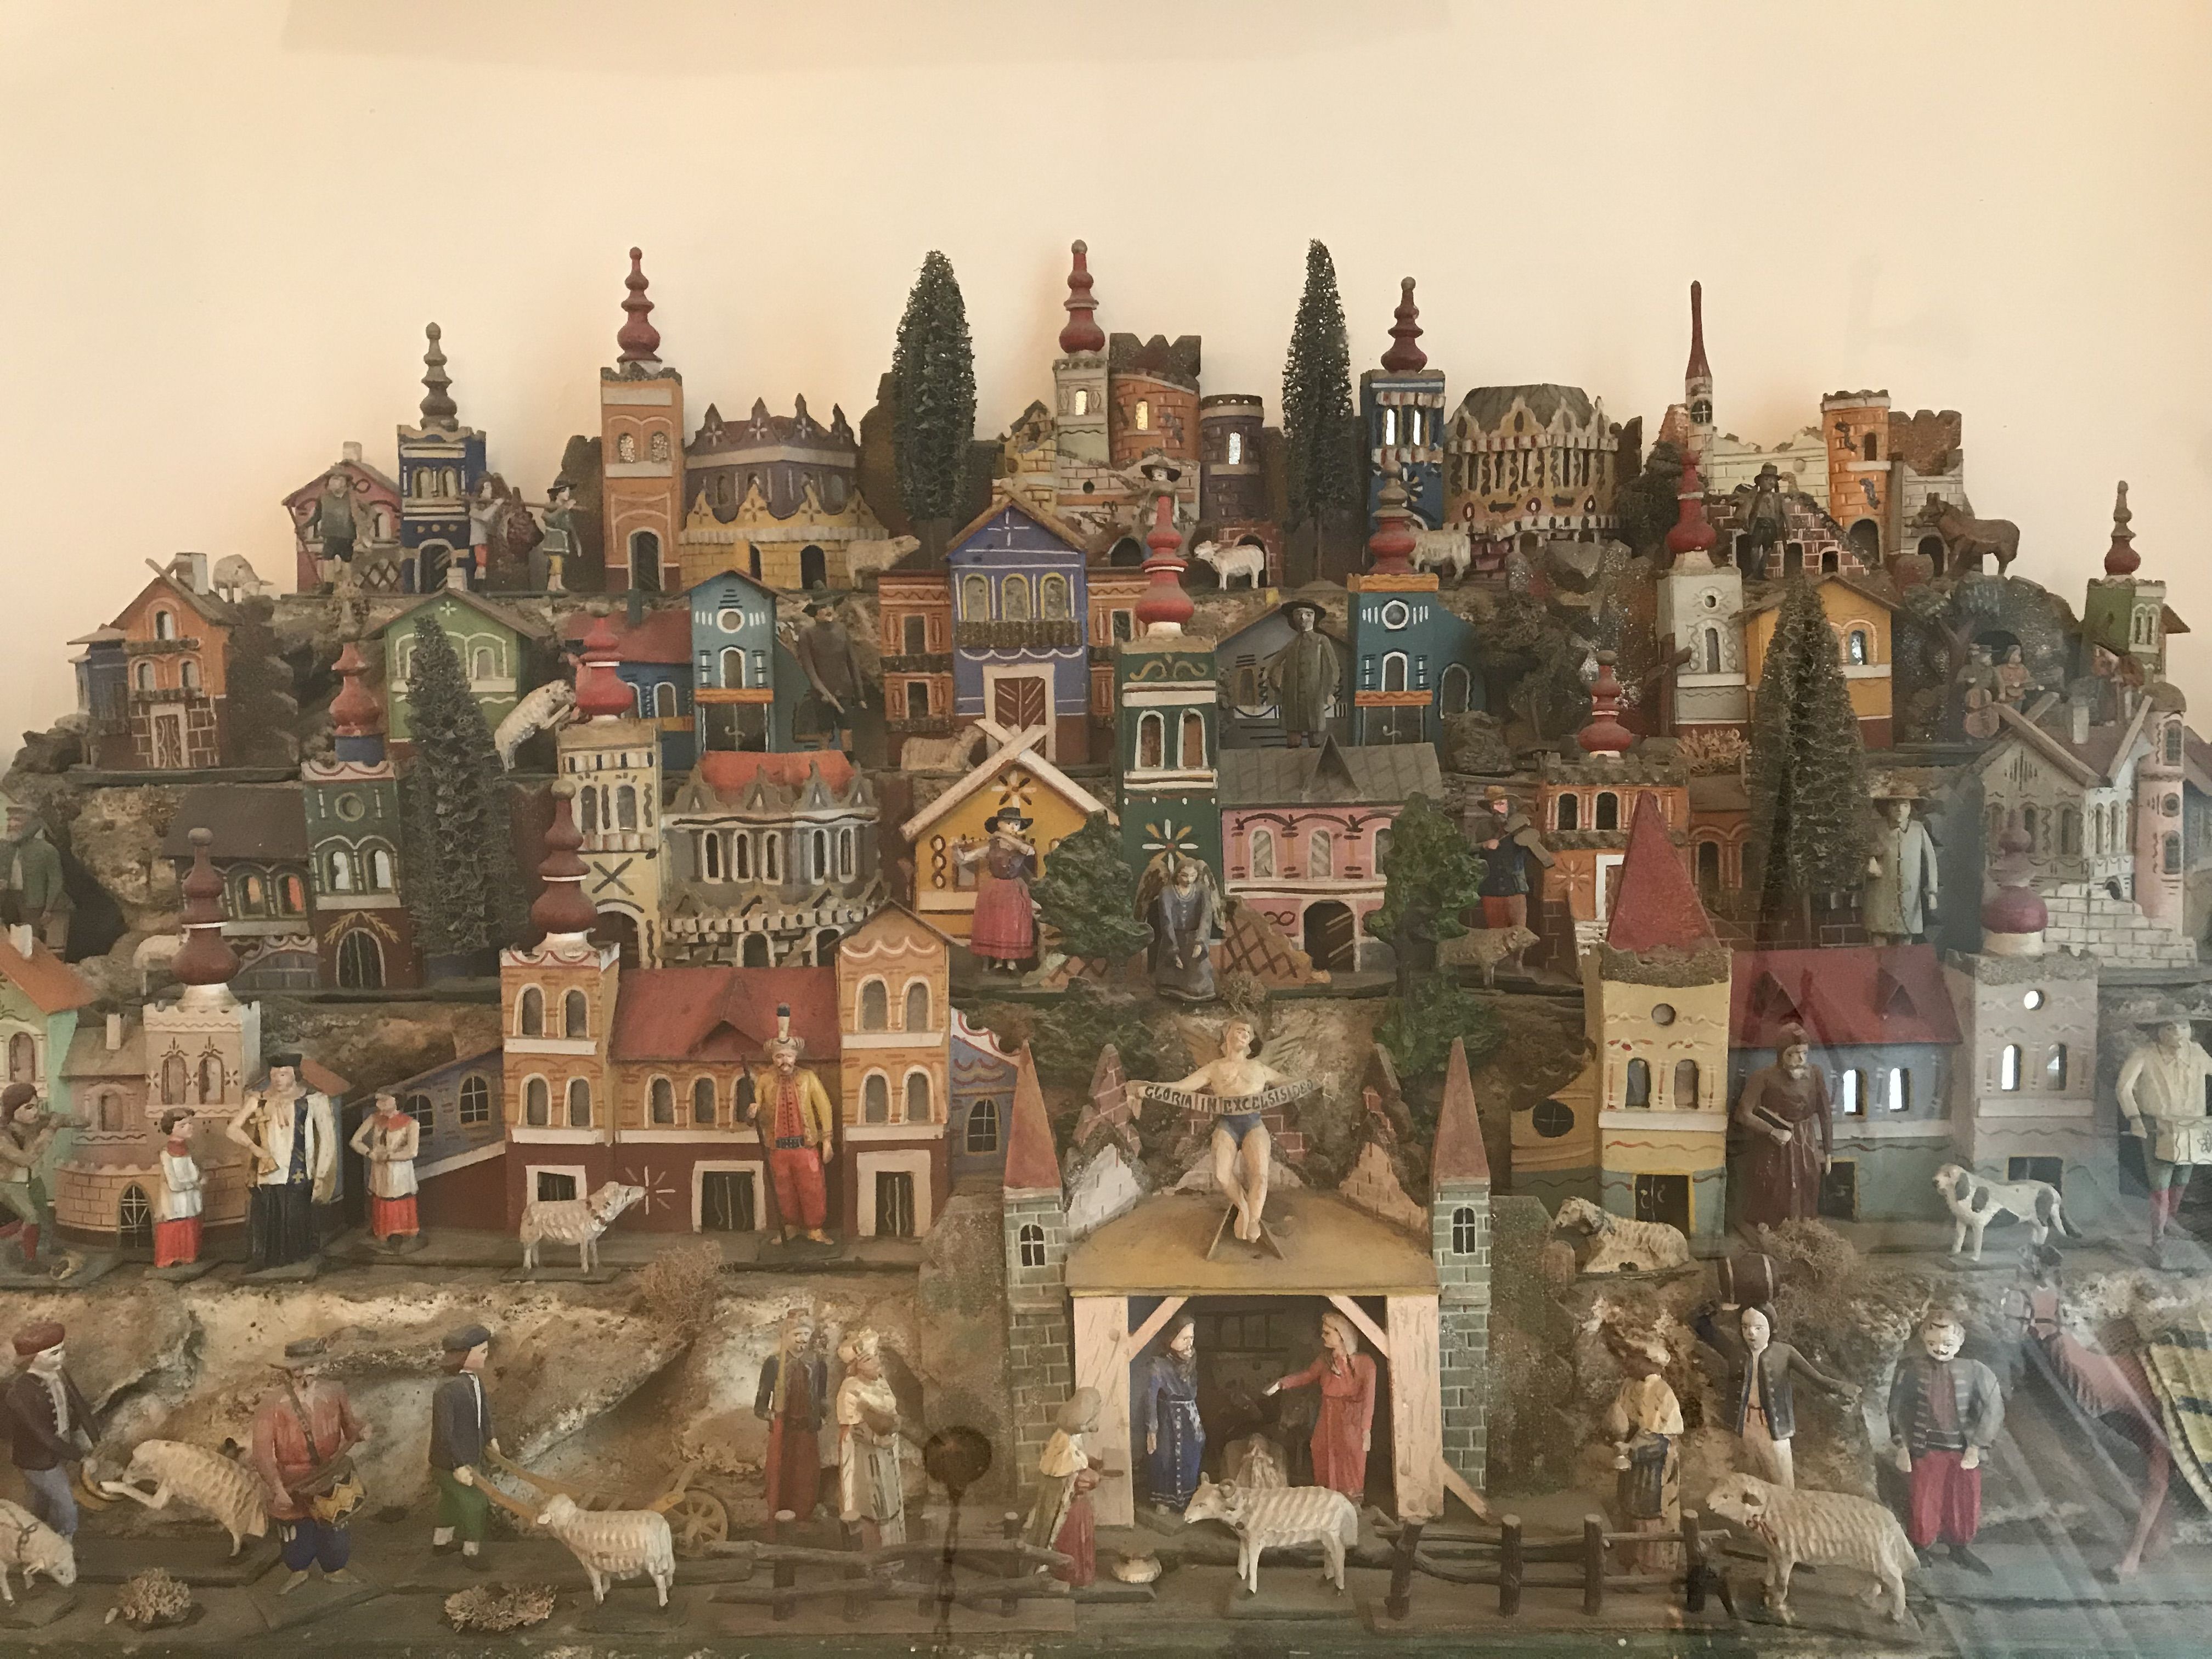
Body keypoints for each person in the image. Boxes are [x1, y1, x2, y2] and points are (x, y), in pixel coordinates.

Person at [1140, 1017, 1316, 1245]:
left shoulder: (1259, 1068)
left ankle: (1254, 1221)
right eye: (1240, 1030)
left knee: (1260, 1176)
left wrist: (1313, 1081)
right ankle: (1244, 1208)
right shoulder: (1215, 1068)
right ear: (1228, 1034)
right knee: (1222, 1175)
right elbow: (1182, 1087)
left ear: (1250, 1041)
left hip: (1254, 1124)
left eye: (1247, 1033)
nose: (1244, 1035)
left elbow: (1287, 1082)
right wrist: (1149, 1088)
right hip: (1228, 1124)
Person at [1887, 1311, 2002, 1573]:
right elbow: (1897, 1409)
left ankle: (1960, 1547)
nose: (1940, 1349)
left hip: (1963, 1452)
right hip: (1925, 1450)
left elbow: (1992, 1409)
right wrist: (1901, 1446)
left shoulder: (1975, 1370)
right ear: (1924, 1340)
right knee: (1924, 1499)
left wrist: (1977, 1446)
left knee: (1963, 1499)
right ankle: (1921, 1547)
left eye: (1948, 1343)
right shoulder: (1910, 1368)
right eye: (1933, 1343)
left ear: (1960, 1342)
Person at [1694, 1304, 1852, 1488]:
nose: (1751, 1333)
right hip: (1744, 1426)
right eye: (1745, 1327)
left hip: (1773, 1430)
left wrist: (1842, 1388)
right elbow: (1704, 1328)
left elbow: (1816, 1378)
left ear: (1771, 1328)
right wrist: (1715, 1305)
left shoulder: (1784, 1353)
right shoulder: (1736, 1352)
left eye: (1758, 1328)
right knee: (1749, 1482)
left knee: (1783, 1484)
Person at [254, 1340, 368, 1594]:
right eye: (298, 1369)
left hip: (329, 1475)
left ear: (322, 1365)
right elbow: (262, 1453)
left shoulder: (335, 1392)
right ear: (289, 1370)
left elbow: (349, 1425)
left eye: (311, 1367)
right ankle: (298, 1570)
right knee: (295, 1533)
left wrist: (360, 1430)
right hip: (293, 1480)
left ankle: (335, 1569)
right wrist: (277, 1488)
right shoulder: (271, 1404)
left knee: (336, 1527)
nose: (305, 1374)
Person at [226, 1054, 338, 1271]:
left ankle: (297, 1259)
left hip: (299, 1169)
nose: (277, 1079)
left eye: (283, 1074)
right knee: (266, 1214)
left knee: (296, 1214)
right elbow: (232, 1129)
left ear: (295, 1075)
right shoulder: (259, 1100)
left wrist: (322, 1174)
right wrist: (254, 1149)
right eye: (274, 1074)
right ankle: (263, 1258)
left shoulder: (313, 1100)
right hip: (267, 1170)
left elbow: (327, 1139)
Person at [2117, 1017, 2212, 1259]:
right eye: (2170, 1028)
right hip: (2158, 1126)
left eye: (2183, 1027)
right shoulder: (2144, 1055)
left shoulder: (2197, 1053)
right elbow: (2124, 1088)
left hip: (2192, 1126)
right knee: (2161, 1182)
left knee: (2182, 1179)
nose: (2178, 1032)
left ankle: (2169, 1224)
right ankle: (2158, 1236)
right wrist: (2135, 1118)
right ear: (2158, 1031)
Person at [1264, 1309, 1376, 1503]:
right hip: (1328, 1415)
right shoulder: (1325, 1360)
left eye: (1327, 1332)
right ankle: (1328, 1497)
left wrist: (1366, 1429)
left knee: (1350, 1454)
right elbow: (1308, 1375)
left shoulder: (1366, 1364)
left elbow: (1369, 1399)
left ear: (1341, 1335)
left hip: (1351, 1418)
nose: (1323, 1336)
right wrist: (1282, 1383)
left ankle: (1351, 1499)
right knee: (1321, 1448)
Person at [746, 1013, 834, 1245]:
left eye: (788, 1056)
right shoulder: (765, 1080)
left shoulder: (808, 1078)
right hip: (778, 1148)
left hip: (805, 1147)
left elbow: (824, 1107)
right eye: (779, 1056)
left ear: (795, 1057)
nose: (783, 1061)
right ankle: (790, 1226)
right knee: (783, 1190)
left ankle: (815, 1228)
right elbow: (756, 1107)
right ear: (773, 1058)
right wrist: (753, 1111)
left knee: (812, 1187)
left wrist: (827, 1140)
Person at [1732, 1031, 1832, 1229]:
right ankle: (1771, 1226)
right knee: (1775, 1181)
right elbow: (1743, 1114)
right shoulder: (1763, 1077)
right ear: (1782, 1054)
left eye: (1804, 1053)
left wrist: (1829, 1152)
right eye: (1793, 1054)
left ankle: (1805, 1227)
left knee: (1809, 1177)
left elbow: (1825, 1113)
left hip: (1806, 1140)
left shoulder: (1815, 1075)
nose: (1800, 1059)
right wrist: (1772, 1131)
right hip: (1775, 1144)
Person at [5, 1322, 95, 1538]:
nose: (61, 1357)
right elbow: (43, 1435)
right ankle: (63, 1544)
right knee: (66, 1505)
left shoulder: (59, 1374)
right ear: (33, 1358)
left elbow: (79, 1405)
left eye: (62, 1350)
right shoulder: (21, 1391)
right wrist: (81, 1457)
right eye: (54, 1353)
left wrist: (95, 1438)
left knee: (40, 1503)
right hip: (37, 1461)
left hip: (56, 1453)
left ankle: (34, 1540)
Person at [1602, 1328, 1681, 1573]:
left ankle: (1649, 1566)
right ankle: (1627, 1560)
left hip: (1653, 1468)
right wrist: (1616, 1436)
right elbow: (1619, 1418)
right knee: (1627, 1507)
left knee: (1648, 1513)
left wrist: (1632, 1448)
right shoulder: (1628, 1386)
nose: (1628, 1361)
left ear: (1651, 1362)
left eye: (1634, 1357)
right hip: (1631, 1463)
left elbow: (1663, 1437)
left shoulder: (1663, 1393)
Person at [429, 1323, 499, 1565]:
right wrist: (458, 1465)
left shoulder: (475, 1382)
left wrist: (490, 1438)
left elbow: (484, 1413)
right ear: (464, 1356)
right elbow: (443, 1433)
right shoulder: (447, 1390)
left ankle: (441, 1542)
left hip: (470, 1454)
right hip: (450, 1462)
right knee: (475, 1503)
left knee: (450, 1501)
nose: (486, 1356)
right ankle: (471, 1552)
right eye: (482, 1352)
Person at [1024, 1387, 1107, 1586]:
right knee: (1070, 1540)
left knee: (1082, 1538)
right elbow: (1068, 1473)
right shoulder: (1062, 1442)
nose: (1092, 1425)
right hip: (1068, 1508)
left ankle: (1078, 1574)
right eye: (1090, 1419)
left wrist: (1091, 1461)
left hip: (1077, 1505)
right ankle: (1067, 1577)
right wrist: (1092, 1477)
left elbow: (1077, 1456)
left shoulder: (1070, 1437)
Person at [755, 1307, 827, 1522]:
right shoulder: (774, 1363)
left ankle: (804, 1513)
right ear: (786, 1336)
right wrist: (770, 1416)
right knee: (781, 1470)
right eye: (797, 1334)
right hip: (783, 1429)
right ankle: (779, 1512)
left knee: (806, 1473)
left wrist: (822, 1414)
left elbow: (821, 1395)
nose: (802, 1339)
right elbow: (761, 1402)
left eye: (806, 1334)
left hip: (807, 1429)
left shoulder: (817, 1363)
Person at [835, 1328, 905, 1547]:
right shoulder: (850, 1389)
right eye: (869, 1360)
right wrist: (878, 1440)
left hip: (887, 1452)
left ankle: (895, 1549)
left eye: (876, 1358)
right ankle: (874, 1553)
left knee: (891, 1499)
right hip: (866, 1456)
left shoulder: (881, 1382)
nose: (876, 1364)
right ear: (857, 1365)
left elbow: (892, 1409)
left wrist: (896, 1423)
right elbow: (855, 1429)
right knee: (873, 1505)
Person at [953, 810, 1037, 974]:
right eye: (1008, 823)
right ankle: (998, 962)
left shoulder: (1022, 846)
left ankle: (1011, 963)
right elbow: (963, 859)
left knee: (1013, 924)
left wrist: (1005, 837)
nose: (1013, 827)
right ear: (999, 824)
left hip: (1015, 890)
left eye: (1016, 824)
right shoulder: (991, 847)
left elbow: (1030, 852)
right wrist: (956, 848)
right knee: (997, 924)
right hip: (995, 890)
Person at [1476, 793, 1553, 967]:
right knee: (1495, 929)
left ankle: (1518, 962)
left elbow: (1539, 856)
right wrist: (1484, 845)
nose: (1497, 809)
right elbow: (1470, 849)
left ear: (1510, 806)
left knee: (1519, 929)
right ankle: (1499, 962)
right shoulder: (1483, 828)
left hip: (1515, 886)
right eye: (1493, 806)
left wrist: (1532, 845)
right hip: (1491, 887)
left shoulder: (1521, 829)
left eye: (1501, 804)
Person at [1135, 1319, 1203, 1513]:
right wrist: (1152, 1429)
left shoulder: (1191, 1361)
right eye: (1183, 1338)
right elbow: (1150, 1397)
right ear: (1170, 1338)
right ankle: (1163, 1499)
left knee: (1191, 1454)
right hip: (1168, 1418)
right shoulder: (1157, 1365)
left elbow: (1193, 1391)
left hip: (1190, 1417)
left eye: (1191, 1338)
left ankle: (1187, 1497)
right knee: (1164, 1457)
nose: (1189, 1343)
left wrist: (1188, 1365)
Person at [0, 1084, 65, 1267]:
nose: (35, 1112)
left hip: (34, 1180)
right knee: (31, 1218)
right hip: (11, 1185)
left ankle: (46, 1246)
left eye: (37, 1106)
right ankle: (30, 1260)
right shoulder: (2, 1136)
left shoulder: (33, 1123)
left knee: (44, 1217)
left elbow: (78, 1121)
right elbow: (26, 1160)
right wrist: (50, 1130)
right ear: (13, 1110)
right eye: (29, 1108)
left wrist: (66, 1119)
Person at [1864, 792, 1939, 945]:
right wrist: (1870, 861)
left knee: (1906, 934)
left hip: (1909, 894)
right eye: (1894, 805)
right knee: (1879, 932)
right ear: (1886, 808)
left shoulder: (1918, 829)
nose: (1900, 809)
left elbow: (1931, 859)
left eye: (1905, 805)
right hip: (1881, 891)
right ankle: (1879, 959)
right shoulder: (1876, 827)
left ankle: (1904, 959)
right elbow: (1862, 851)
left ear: (1911, 808)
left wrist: (1932, 891)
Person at [348, 1093, 421, 1248]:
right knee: (381, 1196)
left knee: (399, 1196)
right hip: (379, 1169)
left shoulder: (411, 1124)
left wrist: (389, 1156)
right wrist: (370, 1153)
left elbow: (412, 1151)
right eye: (380, 1099)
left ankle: (403, 1231)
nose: (381, 1103)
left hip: (400, 1170)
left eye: (386, 1099)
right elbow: (355, 1141)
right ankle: (383, 1230)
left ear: (397, 1101)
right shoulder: (374, 1119)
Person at [793, 601, 865, 753]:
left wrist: (860, 695)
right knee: (825, 730)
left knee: (846, 728)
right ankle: (824, 759)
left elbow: (852, 662)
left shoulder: (842, 630)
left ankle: (848, 760)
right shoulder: (807, 634)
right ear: (815, 613)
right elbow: (810, 669)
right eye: (822, 608)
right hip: (822, 694)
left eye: (830, 605)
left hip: (844, 689)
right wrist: (823, 691)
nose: (828, 610)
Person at [1265, 601, 1339, 748]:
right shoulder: (1293, 643)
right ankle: (1293, 758)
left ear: (1314, 618)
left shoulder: (1321, 641)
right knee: (1293, 735)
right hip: (1292, 697)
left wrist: (1330, 692)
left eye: (1308, 614)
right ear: (1293, 618)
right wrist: (1269, 674)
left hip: (1313, 696)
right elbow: (1277, 660)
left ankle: (1316, 758)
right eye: (1298, 614)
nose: (1303, 618)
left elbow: (1332, 668)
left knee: (1315, 735)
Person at [1146, 855, 1218, 1003]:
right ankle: (1170, 990)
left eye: (1193, 875)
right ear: (1177, 874)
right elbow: (1166, 921)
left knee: (1198, 974)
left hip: (1194, 938)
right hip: (1173, 937)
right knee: (1171, 970)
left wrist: (1200, 942)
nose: (1189, 880)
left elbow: (1206, 917)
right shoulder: (1167, 892)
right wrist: (1173, 949)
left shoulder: (1202, 891)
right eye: (1184, 875)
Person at [155, 1108, 204, 1268]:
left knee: (189, 1225)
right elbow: (174, 1183)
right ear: (171, 1129)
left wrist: (200, 1178)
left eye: (190, 1123)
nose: (189, 1127)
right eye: (183, 1125)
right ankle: (169, 1258)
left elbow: (195, 1170)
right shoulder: (167, 1153)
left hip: (190, 1199)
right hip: (174, 1200)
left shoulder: (189, 1150)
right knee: (174, 1226)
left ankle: (188, 1256)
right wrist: (194, 1184)